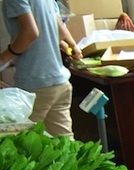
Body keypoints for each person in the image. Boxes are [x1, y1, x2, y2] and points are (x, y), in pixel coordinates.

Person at [1, 0, 82, 138]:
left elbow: (30, 33)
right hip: (60, 82)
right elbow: (61, 32)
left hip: (35, 83)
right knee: (64, 141)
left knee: (23, 141)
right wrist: (73, 46)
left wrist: (4, 59)